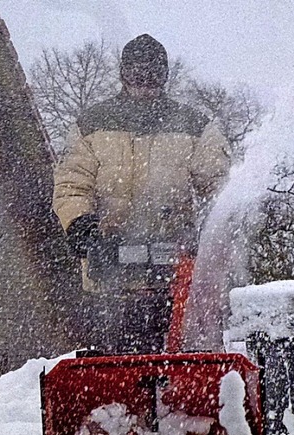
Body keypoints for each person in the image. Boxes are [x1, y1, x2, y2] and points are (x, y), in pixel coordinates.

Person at [53, 34, 230, 354]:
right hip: (109, 272)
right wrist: (81, 227)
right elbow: (71, 184)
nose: (145, 84)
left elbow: (219, 186)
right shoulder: (92, 125)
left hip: (174, 273)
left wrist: (207, 231)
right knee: (110, 360)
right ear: (124, 75)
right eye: (138, 74)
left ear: (165, 77)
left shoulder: (194, 126)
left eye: (153, 75)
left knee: (177, 358)